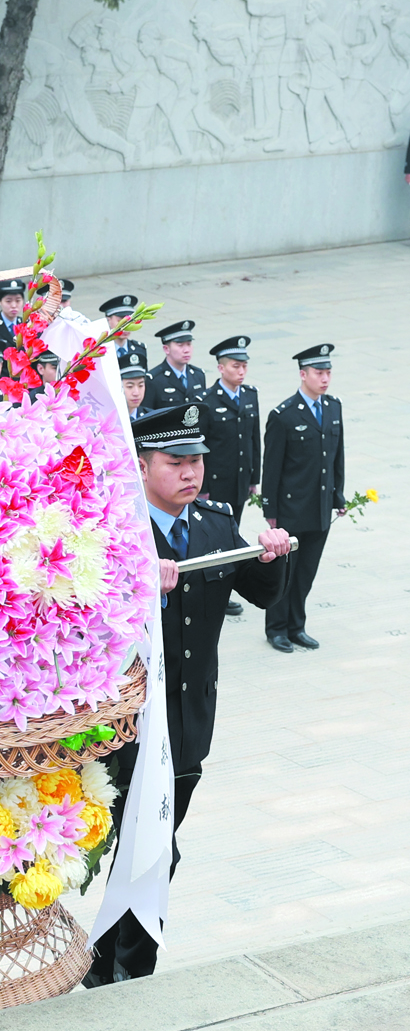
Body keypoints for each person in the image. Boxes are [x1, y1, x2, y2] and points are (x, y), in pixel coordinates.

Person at [84, 404, 288, 984]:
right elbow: (84, 625)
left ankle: (106, 966)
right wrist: (145, 591)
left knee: (153, 845)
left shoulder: (215, 524)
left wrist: (270, 555)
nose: (191, 473)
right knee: (145, 848)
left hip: (189, 719)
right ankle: (123, 968)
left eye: (196, 461)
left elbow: (262, 595)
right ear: (142, 467)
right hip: (126, 724)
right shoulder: (113, 534)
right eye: (176, 462)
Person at [262, 344, 343, 653]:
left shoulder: (333, 407)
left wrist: (338, 495)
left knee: (306, 573)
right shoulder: (283, 415)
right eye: (319, 373)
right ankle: (277, 629)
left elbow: (338, 458)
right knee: (286, 572)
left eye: (328, 373)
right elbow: (272, 468)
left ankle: (297, 626)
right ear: (303, 374)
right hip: (292, 509)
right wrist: (270, 509)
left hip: (321, 508)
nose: (325, 379)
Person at [199, 335, 261, 542]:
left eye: (244, 366)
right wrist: (203, 487)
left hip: (241, 479)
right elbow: (201, 446)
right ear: (221, 368)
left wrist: (254, 479)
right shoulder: (207, 401)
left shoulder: (250, 395)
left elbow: (254, 440)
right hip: (217, 483)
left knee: (235, 527)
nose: (241, 372)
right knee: (215, 532)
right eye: (236, 366)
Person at [144, 321, 207, 411]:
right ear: (166, 349)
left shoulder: (198, 375)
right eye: (180, 345)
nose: (186, 350)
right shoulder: (154, 380)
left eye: (189, 344)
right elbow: (147, 413)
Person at [119, 343, 151, 420]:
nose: (136, 393)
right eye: (130, 386)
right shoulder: (110, 421)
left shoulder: (150, 417)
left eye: (141, 385)